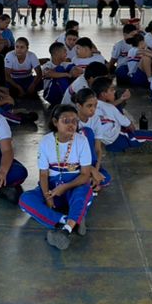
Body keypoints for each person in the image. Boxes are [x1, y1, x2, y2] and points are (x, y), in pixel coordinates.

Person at [18, 104, 98, 250]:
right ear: (55, 122)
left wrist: (65, 187)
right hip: (52, 187)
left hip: (74, 185)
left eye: (74, 121)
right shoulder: (46, 142)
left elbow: (85, 175)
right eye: (66, 121)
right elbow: (43, 174)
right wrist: (48, 197)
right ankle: (68, 221)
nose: (71, 125)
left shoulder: (82, 141)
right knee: (25, 200)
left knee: (85, 192)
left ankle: (65, 231)